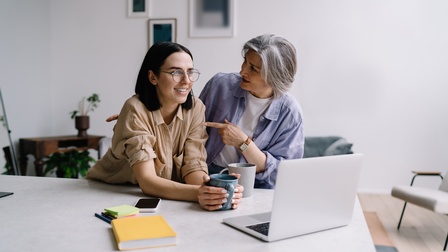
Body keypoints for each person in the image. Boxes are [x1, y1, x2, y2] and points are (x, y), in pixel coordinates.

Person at [86, 42, 243, 211]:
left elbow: (193, 166)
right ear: (153, 77)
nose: (186, 81)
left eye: (190, 72)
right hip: (107, 193)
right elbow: (147, 181)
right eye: (176, 72)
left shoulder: (196, 108)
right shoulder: (134, 108)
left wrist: (215, 189)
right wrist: (199, 193)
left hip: (161, 195)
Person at [199, 33, 304, 189]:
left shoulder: (290, 113)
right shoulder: (220, 85)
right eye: (245, 62)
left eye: (253, 68)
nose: (242, 71)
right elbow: (191, 134)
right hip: (208, 176)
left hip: (256, 187)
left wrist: (243, 143)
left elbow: (283, 175)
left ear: (274, 76)